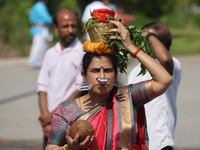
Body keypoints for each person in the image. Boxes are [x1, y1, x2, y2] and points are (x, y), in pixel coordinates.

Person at [45, 18, 172, 150]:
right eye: (95, 71)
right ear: (84, 76)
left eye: (107, 71)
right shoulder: (67, 111)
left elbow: (164, 80)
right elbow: (51, 147)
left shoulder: (128, 97)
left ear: (116, 76)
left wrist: (131, 47)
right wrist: (68, 148)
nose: (102, 77)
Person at [127, 22, 181, 150]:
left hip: (161, 141)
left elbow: (166, 59)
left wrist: (149, 34)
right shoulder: (135, 72)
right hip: (139, 141)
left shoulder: (173, 65)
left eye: (148, 39)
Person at [37, 8, 84, 149]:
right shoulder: (50, 53)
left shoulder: (83, 53)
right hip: (49, 123)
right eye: (65, 26)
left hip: (71, 124)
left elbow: (79, 89)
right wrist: (46, 118)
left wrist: (53, 117)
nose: (70, 30)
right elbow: (42, 88)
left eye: (73, 26)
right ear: (56, 28)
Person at [28, 0, 53, 69]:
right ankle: (32, 63)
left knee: (44, 47)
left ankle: (43, 63)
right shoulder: (41, 6)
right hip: (40, 30)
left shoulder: (36, 5)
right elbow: (46, 17)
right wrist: (55, 20)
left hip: (38, 29)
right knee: (38, 47)